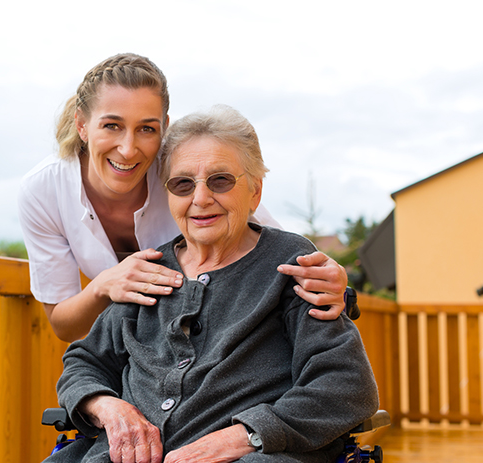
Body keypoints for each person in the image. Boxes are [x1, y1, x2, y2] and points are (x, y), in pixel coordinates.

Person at [43, 105, 378, 463]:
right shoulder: (147, 270)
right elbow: (84, 361)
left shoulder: (291, 266)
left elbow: (345, 386)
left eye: (220, 180)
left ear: (254, 192)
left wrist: (248, 435)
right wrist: (106, 406)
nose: (200, 199)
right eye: (183, 184)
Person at [18, 53, 349, 342]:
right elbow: (63, 325)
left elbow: (266, 239)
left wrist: (333, 283)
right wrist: (104, 284)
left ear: (164, 127)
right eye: (112, 126)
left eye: (146, 129)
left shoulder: (184, 171)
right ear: (82, 125)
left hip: (210, 345)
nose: (128, 148)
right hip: (139, 354)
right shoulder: (44, 191)